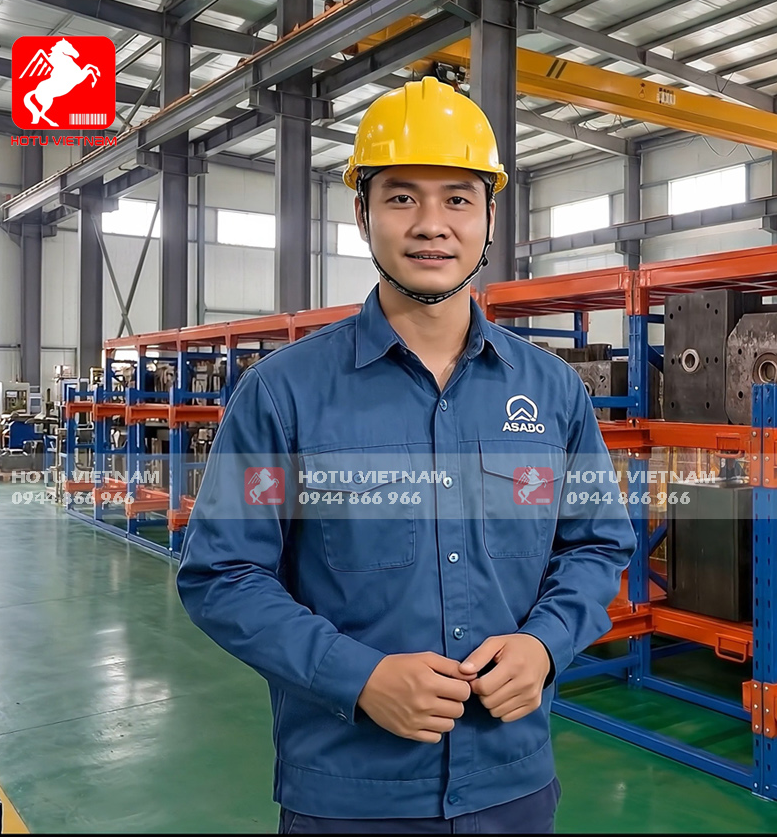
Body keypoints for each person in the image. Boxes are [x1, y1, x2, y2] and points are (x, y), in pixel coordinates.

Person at [176, 77, 636, 834]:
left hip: (512, 786)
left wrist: (544, 646)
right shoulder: (282, 394)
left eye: (457, 199)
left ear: (490, 216)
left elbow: (596, 544)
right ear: (362, 214)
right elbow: (222, 575)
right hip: (349, 795)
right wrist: (358, 677)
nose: (431, 225)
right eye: (401, 198)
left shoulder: (552, 390)